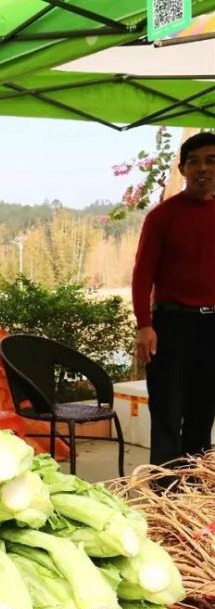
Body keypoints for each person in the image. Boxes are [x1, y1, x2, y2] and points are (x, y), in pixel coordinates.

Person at [132, 131, 215, 467]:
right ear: (182, 169)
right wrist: (144, 326)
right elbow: (142, 275)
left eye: (211, 160)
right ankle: (163, 494)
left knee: (203, 411)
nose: (202, 169)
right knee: (167, 411)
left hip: (212, 327)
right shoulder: (162, 216)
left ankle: (193, 492)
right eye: (193, 162)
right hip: (171, 326)